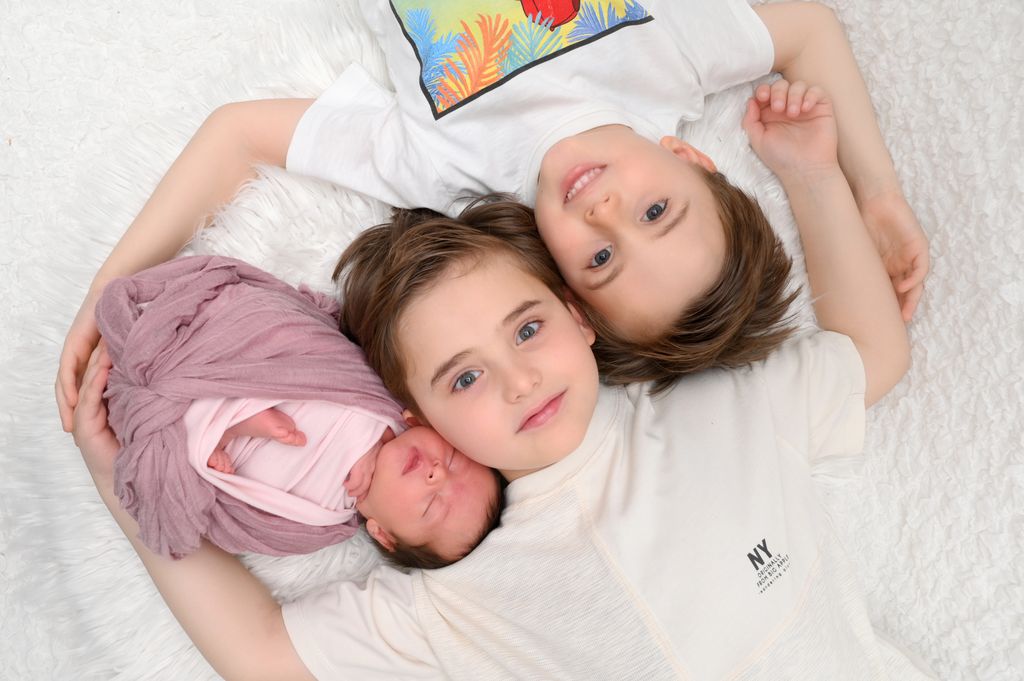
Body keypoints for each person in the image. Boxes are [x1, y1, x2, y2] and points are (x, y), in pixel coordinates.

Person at [74, 83, 933, 678]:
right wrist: (118, 476)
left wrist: (816, 176)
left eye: (527, 329)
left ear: (578, 316)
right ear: (419, 418)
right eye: (464, 379)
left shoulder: (721, 407)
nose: (520, 381)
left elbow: (875, 354)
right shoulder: (461, 600)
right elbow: (263, 655)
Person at [56, 0, 930, 430]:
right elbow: (808, 28)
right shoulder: (672, 59)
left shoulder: (445, 169)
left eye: (600, 258)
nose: (606, 211)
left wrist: (108, 291)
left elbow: (237, 135)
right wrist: (877, 195)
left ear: (560, 279)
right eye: (658, 209)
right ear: (693, 159)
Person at [97, 255, 502, 567]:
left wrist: (199, 473)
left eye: (430, 505)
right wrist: (371, 439)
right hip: (252, 365)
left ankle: (222, 430)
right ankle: (231, 416)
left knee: (175, 468)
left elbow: (236, 525)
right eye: (452, 459)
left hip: (204, 441)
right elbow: (326, 362)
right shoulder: (389, 409)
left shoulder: (316, 528)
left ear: (383, 534)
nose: (436, 474)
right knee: (258, 331)